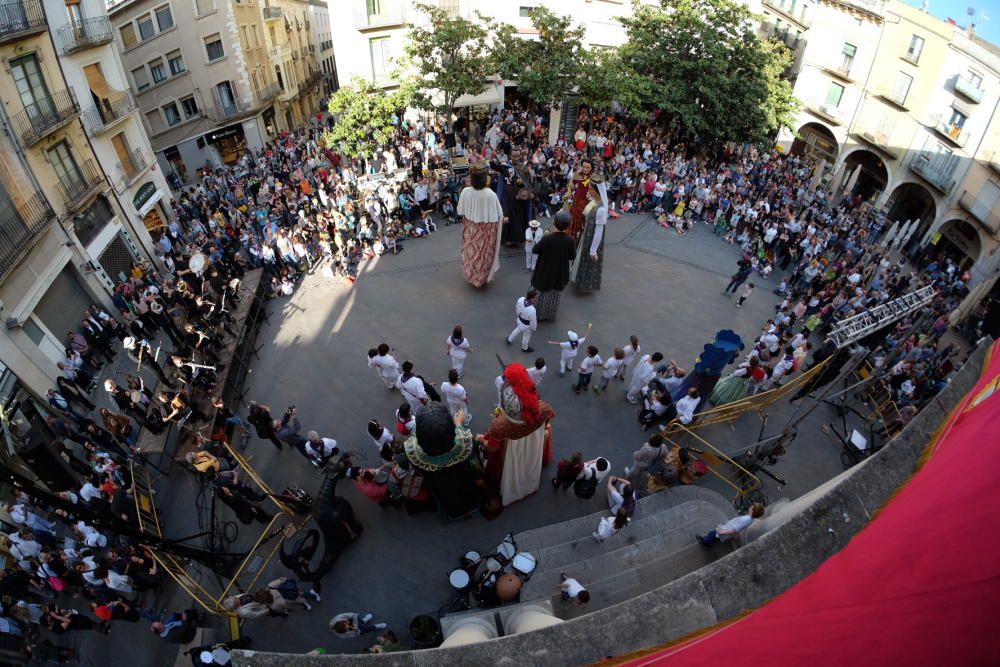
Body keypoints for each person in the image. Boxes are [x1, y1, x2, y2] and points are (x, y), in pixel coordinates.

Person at [480, 363, 556, 507]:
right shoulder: (544, 409)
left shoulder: (499, 426)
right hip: (532, 448)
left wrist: (481, 440)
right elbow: (546, 427)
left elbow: (491, 449)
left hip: (511, 457)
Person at [457, 162, 505, 287]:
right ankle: (481, 279)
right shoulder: (491, 194)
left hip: (470, 227)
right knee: (483, 254)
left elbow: (459, 211)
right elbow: (499, 215)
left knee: (470, 252)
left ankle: (471, 276)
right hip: (486, 229)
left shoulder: (465, 191)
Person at [530, 211, 577, 321]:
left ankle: (538, 315)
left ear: (554, 222)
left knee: (542, 293)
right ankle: (550, 315)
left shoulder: (547, 238)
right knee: (554, 295)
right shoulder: (570, 240)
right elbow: (572, 256)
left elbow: (535, 250)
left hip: (545, 270)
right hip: (559, 272)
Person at [570, 176, 608, 293]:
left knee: (586, 260)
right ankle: (577, 279)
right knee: (581, 257)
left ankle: (584, 285)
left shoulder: (601, 209)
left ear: (597, 191)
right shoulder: (594, 202)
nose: (589, 190)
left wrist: (593, 250)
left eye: (591, 189)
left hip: (591, 238)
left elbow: (599, 231)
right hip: (586, 234)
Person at [697, 503, 765, 546]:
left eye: (752, 507)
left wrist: (722, 532)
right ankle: (710, 541)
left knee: (712, 534)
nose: (750, 507)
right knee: (716, 536)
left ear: (752, 510)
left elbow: (735, 529)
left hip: (727, 530)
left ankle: (705, 541)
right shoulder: (750, 519)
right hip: (728, 529)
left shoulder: (745, 520)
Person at [506, 289, 538, 353]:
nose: (536, 299)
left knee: (517, 330)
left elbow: (517, 308)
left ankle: (509, 339)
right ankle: (524, 348)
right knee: (526, 337)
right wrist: (534, 328)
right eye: (535, 298)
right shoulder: (532, 310)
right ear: (532, 298)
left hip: (520, 320)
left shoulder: (521, 299)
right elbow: (533, 321)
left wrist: (518, 315)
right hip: (527, 325)